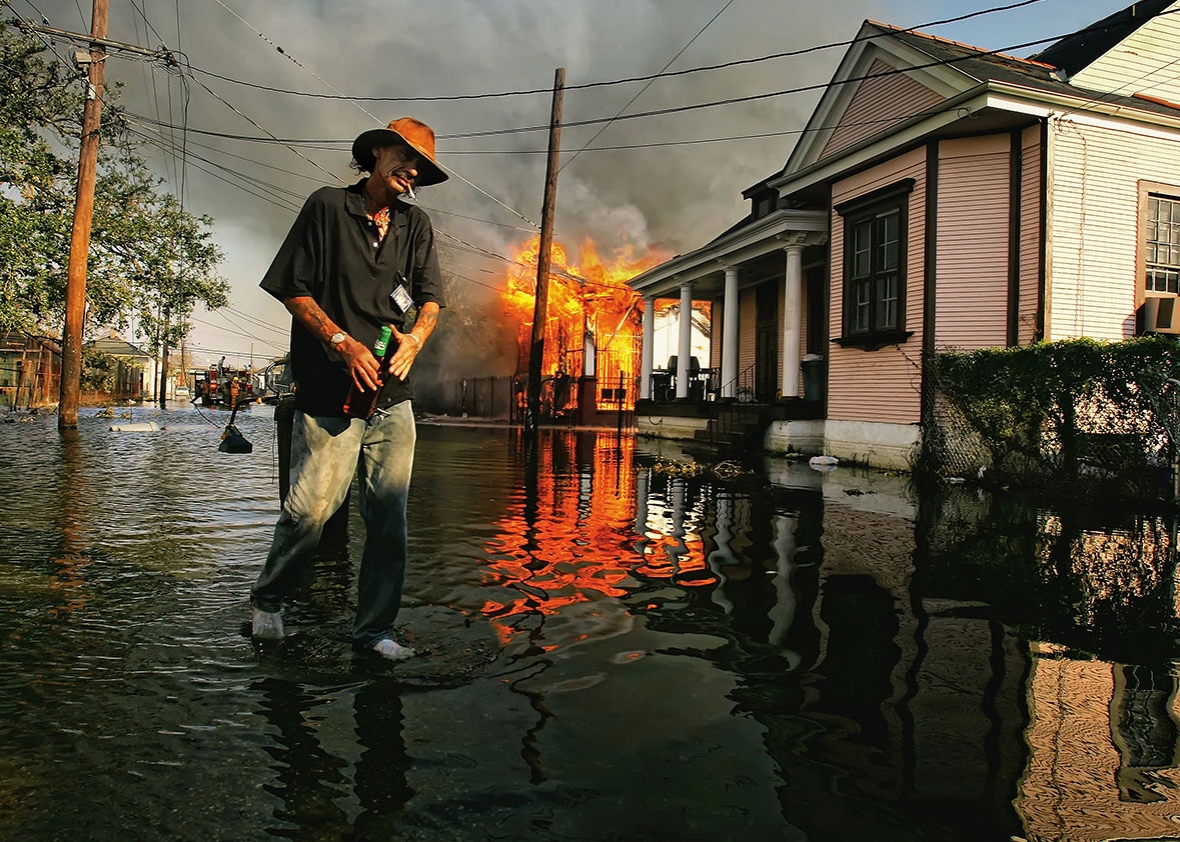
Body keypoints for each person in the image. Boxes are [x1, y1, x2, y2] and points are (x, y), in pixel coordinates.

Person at [249, 117, 447, 661]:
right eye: (407, 159)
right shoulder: (327, 207)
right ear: (378, 153)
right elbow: (292, 288)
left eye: (424, 168)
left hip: (392, 396)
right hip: (330, 389)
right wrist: (341, 342)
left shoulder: (416, 224)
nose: (414, 173)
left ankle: (374, 632)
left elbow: (429, 299)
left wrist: (415, 340)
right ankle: (268, 600)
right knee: (312, 508)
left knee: (388, 518)